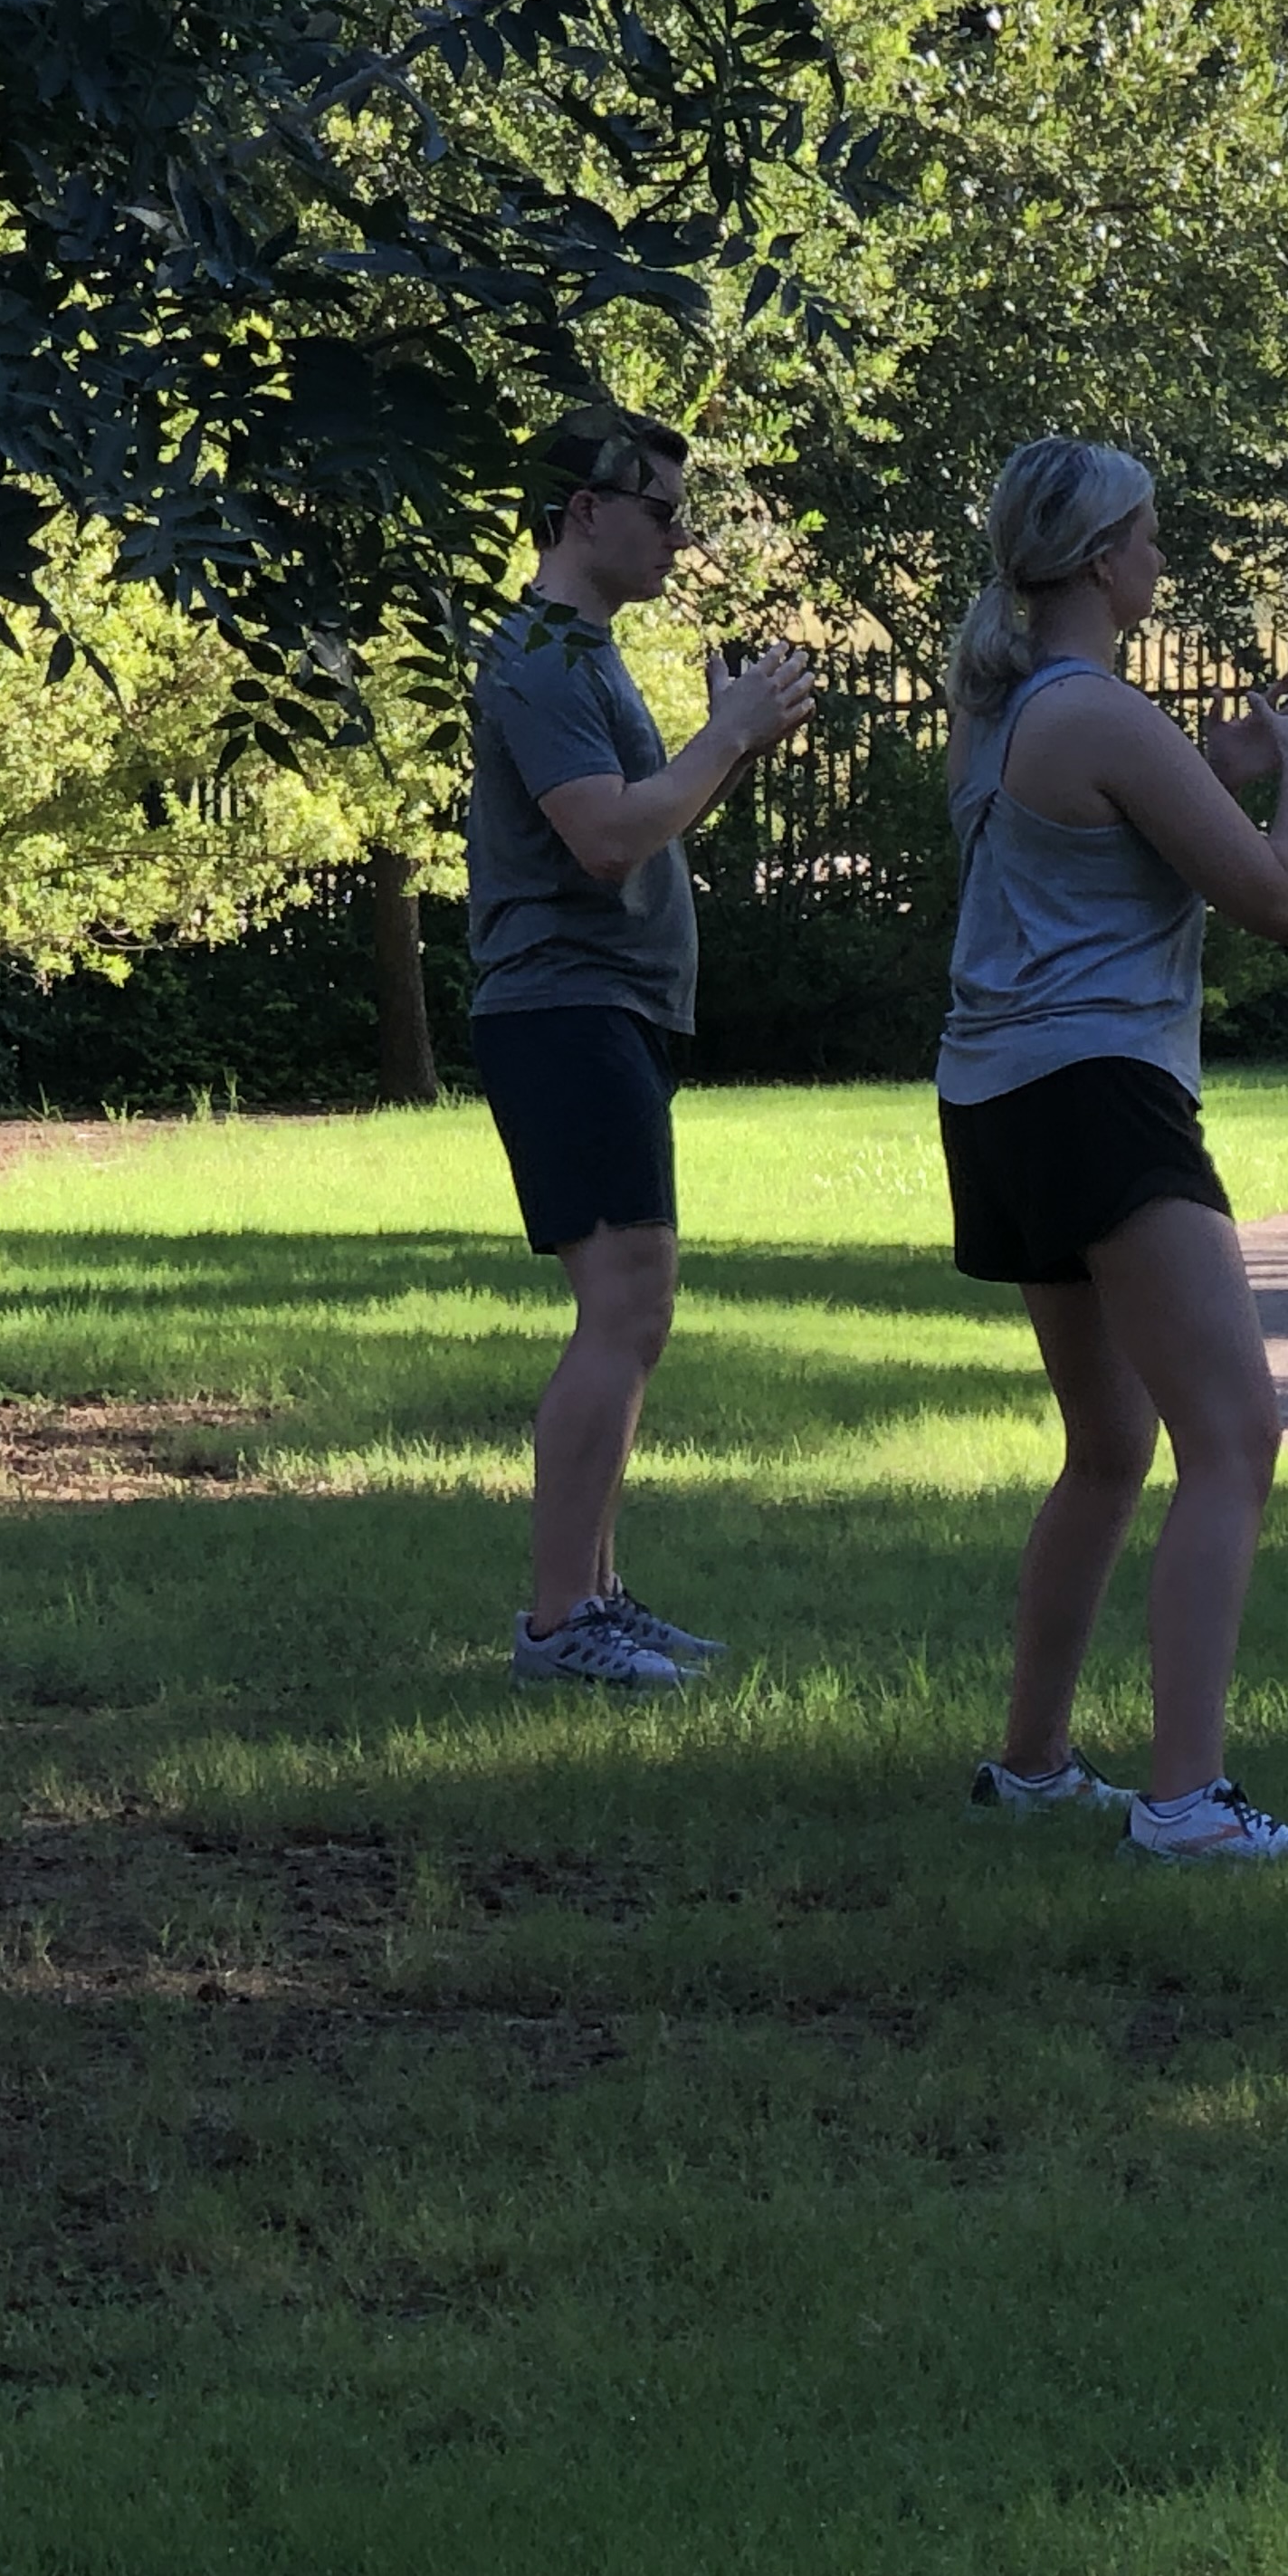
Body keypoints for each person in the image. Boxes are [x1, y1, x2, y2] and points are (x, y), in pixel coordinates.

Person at [940, 437, 1288, 1864]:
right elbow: (1280, 899)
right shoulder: (1095, 717)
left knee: (1111, 1444)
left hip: (996, 1101)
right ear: (1108, 559)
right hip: (1099, 1092)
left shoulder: (1005, 709)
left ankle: (1034, 1767)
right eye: (1154, 540)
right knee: (1233, 1436)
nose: (1162, 562)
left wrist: (1241, 749)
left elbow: (1151, 783)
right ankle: (1187, 1804)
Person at [472, 406, 816, 1691]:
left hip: (597, 1011)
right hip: (563, 1011)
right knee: (624, 1307)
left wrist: (721, 741)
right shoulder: (546, 661)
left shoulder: (581, 652)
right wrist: (727, 735)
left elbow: (638, 819)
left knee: (635, 1311)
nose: (681, 535)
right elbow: (609, 836)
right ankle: (563, 1623)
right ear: (584, 512)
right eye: (663, 511)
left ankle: (597, 1599)